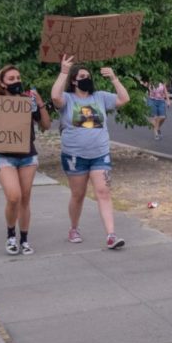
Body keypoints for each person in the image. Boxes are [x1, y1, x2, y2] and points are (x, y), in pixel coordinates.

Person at [51, 56, 130, 249]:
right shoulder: (68, 99)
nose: (86, 79)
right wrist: (63, 72)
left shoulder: (101, 96)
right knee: (78, 194)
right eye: (82, 76)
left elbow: (124, 99)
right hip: (74, 156)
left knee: (103, 192)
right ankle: (74, 228)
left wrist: (114, 78)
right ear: (74, 81)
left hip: (100, 154)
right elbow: (55, 97)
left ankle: (111, 235)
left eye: (88, 75)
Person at [0, 65, 51, 255]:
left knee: (25, 199)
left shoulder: (28, 101)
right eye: (11, 79)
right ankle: (11, 235)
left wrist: (40, 102)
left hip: (27, 156)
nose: (16, 81)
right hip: (4, 156)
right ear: (2, 83)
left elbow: (45, 125)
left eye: (18, 77)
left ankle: (24, 239)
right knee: (14, 196)